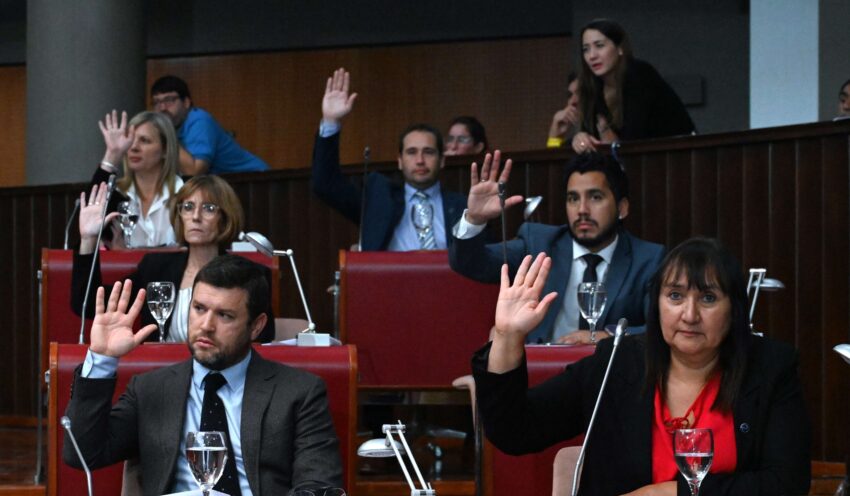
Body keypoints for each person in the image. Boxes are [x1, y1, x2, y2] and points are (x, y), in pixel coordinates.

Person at [473, 238, 811, 496]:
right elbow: (514, 431)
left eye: (708, 298)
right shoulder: (617, 364)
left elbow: (787, 484)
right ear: (657, 304)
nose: (689, 315)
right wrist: (506, 336)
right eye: (675, 296)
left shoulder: (768, 369)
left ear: (734, 309)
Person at [63, 255, 342, 496]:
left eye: (224, 315)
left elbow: (317, 486)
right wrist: (101, 359)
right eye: (199, 308)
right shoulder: (151, 389)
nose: (206, 325)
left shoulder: (299, 392)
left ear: (256, 326)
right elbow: (82, 454)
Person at [449, 150, 664, 344]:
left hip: (611, 378)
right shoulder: (539, 243)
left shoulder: (649, 260)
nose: (582, 210)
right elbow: (472, 264)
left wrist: (606, 337)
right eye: (573, 199)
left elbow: (660, 328)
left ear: (622, 208)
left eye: (595, 197)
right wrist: (474, 220)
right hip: (544, 372)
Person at [71, 174, 275, 343]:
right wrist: (88, 239)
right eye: (188, 207)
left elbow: (262, 339)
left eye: (208, 208)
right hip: (163, 381)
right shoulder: (156, 269)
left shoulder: (249, 276)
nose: (195, 216)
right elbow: (87, 304)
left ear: (225, 218)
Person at [311, 67, 466, 251]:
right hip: (392, 279)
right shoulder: (378, 201)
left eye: (428, 152)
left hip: (447, 279)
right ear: (399, 161)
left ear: (442, 160)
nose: (420, 160)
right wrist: (330, 122)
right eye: (411, 152)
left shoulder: (462, 206)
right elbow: (325, 184)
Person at [571, 19, 695, 154]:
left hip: (676, 155)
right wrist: (580, 138)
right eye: (586, 49)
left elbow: (633, 137)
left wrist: (607, 136)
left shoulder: (639, 73)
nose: (592, 56)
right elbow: (594, 137)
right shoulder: (592, 86)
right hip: (634, 161)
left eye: (599, 46)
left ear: (619, 48)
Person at [94, 110, 183, 248]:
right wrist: (112, 154)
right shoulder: (116, 195)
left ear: (165, 150)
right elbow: (90, 223)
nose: (134, 147)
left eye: (144, 140)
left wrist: (128, 254)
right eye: (130, 140)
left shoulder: (184, 194)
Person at [151, 75, 269, 176]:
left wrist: (167, 134)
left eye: (169, 100)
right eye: (157, 102)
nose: (162, 108)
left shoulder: (199, 121)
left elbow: (194, 172)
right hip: (222, 183)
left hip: (253, 178)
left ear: (186, 103)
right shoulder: (163, 127)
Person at [546, 73, 581, 149]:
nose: (573, 101)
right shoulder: (570, 144)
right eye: (570, 95)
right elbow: (553, 158)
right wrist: (555, 136)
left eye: (579, 93)